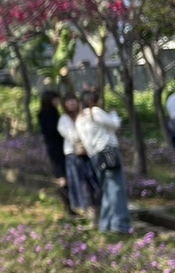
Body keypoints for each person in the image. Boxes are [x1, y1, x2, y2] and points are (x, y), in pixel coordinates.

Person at [74, 88, 131, 234]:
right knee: (116, 188)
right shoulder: (95, 112)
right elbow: (114, 125)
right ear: (95, 100)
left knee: (106, 189)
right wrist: (113, 115)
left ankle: (105, 225)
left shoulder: (79, 119)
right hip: (108, 151)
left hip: (95, 156)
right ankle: (120, 225)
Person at [58, 93, 100, 218]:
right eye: (68, 101)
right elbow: (72, 136)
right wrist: (80, 125)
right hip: (74, 155)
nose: (71, 103)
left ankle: (97, 207)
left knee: (94, 182)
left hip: (89, 154)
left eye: (73, 100)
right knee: (82, 184)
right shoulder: (64, 119)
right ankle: (88, 209)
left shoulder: (85, 115)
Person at [38, 89, 73, 215]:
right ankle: (68, 207)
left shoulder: (50, 113)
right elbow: (53, 131)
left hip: (56, 148)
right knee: (63, 178)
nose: (57, 102)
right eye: (55, 99)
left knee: (63, 177)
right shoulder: (48, 114)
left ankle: (69, 206)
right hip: (56, 149)